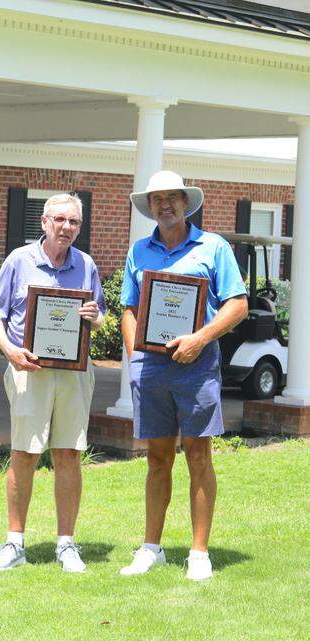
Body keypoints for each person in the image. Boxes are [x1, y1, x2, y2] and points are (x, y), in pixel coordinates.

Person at [118, 170, 247, 581]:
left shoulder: (214, 247)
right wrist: (135, 357)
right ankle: (151, 548)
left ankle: (198, 553)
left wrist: (200, 337)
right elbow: (129, 308)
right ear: (150, 206)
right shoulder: (139, 251)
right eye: (158, 199)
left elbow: (237, 305)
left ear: (186, 203)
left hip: (197, 365)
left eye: (173, 197)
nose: (166, 205)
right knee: (156, 459)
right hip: (152, 368)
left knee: (197, 455)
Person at [0, 193, 105, 573]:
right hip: (28, 370)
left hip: (73, 372)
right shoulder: (19, 261)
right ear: (44, 222)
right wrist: (9, 352)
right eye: (60, 220)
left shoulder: (86, 265)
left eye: (74, 223)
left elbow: (99, 316)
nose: (67, 228)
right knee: (24, 453)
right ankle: (14, 542)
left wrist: (94, 316)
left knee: (69, 453)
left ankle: (66, 545)